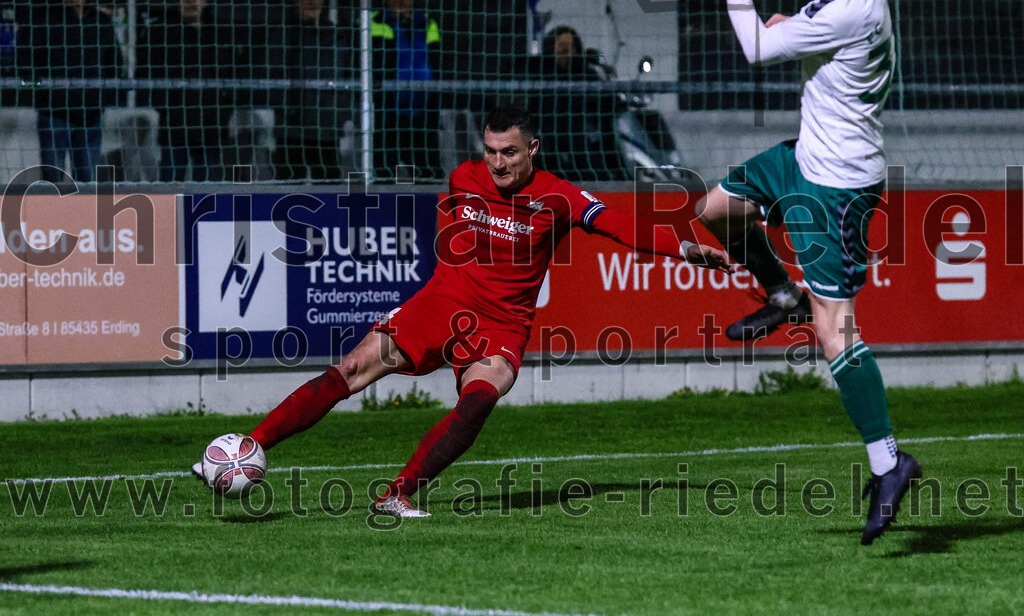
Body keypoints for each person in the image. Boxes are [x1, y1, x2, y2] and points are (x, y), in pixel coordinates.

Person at [195, 104, 732, 517]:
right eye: (492, 151)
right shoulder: (464, 178)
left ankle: (397, 496)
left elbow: (619, 226)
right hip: (441, 305)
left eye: (510, 153)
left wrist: (683, 247)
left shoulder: (560, 197)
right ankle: (247, 446)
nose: (498, 163)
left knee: (478, 401)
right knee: (350, 369)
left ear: (533, 149)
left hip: (502, 324)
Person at [694, 0, 920, 545]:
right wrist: (795, 18)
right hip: (805, 157)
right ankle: (780, 289)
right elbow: (805, 25)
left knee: (835, 330)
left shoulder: (851, 9)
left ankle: (889, 462)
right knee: (716, 209)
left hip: (836, 187)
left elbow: (756, 47)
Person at [24, 0, 121, 182]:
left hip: (91, 116)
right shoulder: (44, 19)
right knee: (53, 181)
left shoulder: (101, 22)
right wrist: (40, 93)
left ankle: (84, 218)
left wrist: (100, 99)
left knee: (87, 181)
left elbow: (114, 64)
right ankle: (52, 218)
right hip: (54, 115)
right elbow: (26, 61)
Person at [139, 0, 238, 182]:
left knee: (209, 190)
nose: (191, 0)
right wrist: (164, 105)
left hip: (212, 124)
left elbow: (236, 71)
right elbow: (146, 70)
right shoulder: (162, 32)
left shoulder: (221, 32)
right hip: (175, 124)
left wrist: (226, 104)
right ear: (178, 0)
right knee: (170, 187)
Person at [267, 0, 355, 181]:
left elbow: (346, 75)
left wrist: (341, 113)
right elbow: (274, 75)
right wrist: (289, 110)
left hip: (327, 126)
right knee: (290, 183)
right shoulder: (284, 33)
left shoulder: (336, 35)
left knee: (328, 182)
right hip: (292, 128)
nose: (313, 2)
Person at [529, 26, 625, 183]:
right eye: (561, 45)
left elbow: (602, 97)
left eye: (570, 45)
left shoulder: (584, 71)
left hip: (582, 129)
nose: (566, 49)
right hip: (552, 129)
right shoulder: (542, 71)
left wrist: (613, 98)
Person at [371, 0, 442, 181]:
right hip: (386, 107)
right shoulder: (372, 21)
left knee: (426, 168)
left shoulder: (427, 22)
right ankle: (382, 211)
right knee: (383, 168)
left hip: (422, 107)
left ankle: (430, 211)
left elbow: (437, 63)